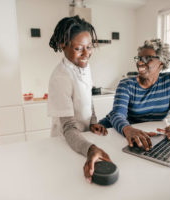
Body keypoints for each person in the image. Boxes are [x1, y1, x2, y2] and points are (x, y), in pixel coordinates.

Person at [47, 15, 112, 182]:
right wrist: (90, 149)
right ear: (63, 44)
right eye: (79, 48)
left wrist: (93, 122)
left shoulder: (83, 66)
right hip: (67, 141)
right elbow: (68, 127)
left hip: (84, 139)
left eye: (89, 47)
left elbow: (88, 96)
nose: (86, 54)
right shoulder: (60, 77)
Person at [99, 39, 170, 151]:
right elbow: (117, 114)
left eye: (147, 58)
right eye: (139, 58)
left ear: (161, 63)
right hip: (114, 131)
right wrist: (129, 129)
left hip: (144, 134)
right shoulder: (126, 84)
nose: (140, 63)